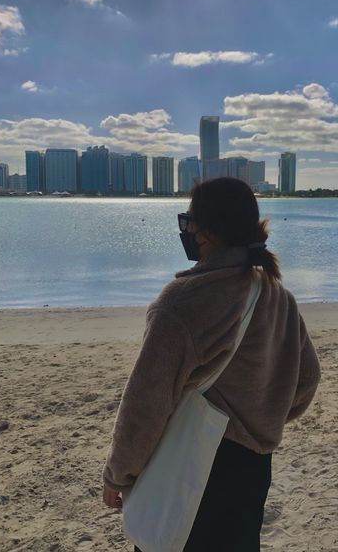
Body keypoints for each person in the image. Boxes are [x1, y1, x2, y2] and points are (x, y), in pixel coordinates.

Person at [102, 177, 321, 552]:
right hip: (254, 467)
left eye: (189, 221)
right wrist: (263, 417)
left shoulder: (184, 301)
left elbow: (145, 404)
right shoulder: (278, 295)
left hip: (195, 463)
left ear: (206, 231)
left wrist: (118, 474)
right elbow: (307, 380)